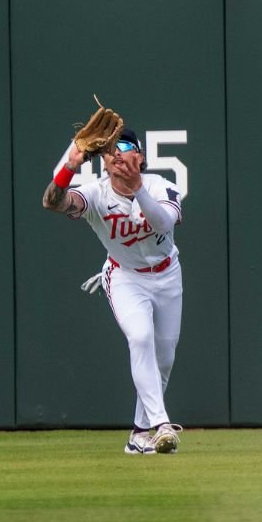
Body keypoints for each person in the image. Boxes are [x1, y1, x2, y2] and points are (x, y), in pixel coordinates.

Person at [43, 127, 185, 455]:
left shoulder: (160, 186)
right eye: (108, 149)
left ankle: (139, 434)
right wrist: (71, 165)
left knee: (164, 358)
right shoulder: (96, 194)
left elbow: (164, 223)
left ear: (140, 157)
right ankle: (162, 424)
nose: (116, 152)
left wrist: (138, 189)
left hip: (167, 274)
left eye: (124, 145)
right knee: (140, 337)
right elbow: (53, 202)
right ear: (103, 162)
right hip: (125, 276)